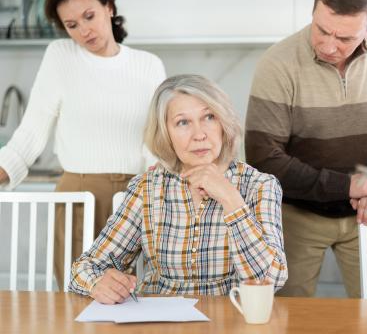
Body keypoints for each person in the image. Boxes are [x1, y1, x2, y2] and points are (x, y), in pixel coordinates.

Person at [0, 0, 166, 289]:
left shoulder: (148, 65)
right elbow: (32, 132)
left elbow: (155, 140)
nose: (84, 31)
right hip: (78, 196)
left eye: (89, 16)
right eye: (71, 25)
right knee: (77, 300)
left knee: (135, 298)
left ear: (109, 7)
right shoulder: (60, 56)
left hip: (138, 198)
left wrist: (160, 185)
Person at [245, 0, 367, 298]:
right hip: (296, 214)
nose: (329, 46)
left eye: (344, 38)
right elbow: (263, 159)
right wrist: (350, 185)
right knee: (289, 319)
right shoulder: (278, 63)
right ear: (314, 10)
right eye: (322, 30)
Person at [69, 74, 287, 304]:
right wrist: (98, 283)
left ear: (224, 123)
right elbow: (85, 268)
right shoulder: (147, 188)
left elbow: (271, 281)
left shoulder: (260, 186)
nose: (199, 134)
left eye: (209, 117)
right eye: (183, 122)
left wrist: (230, 198)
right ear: (165, 134)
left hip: (231, 319)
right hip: (159, 322)